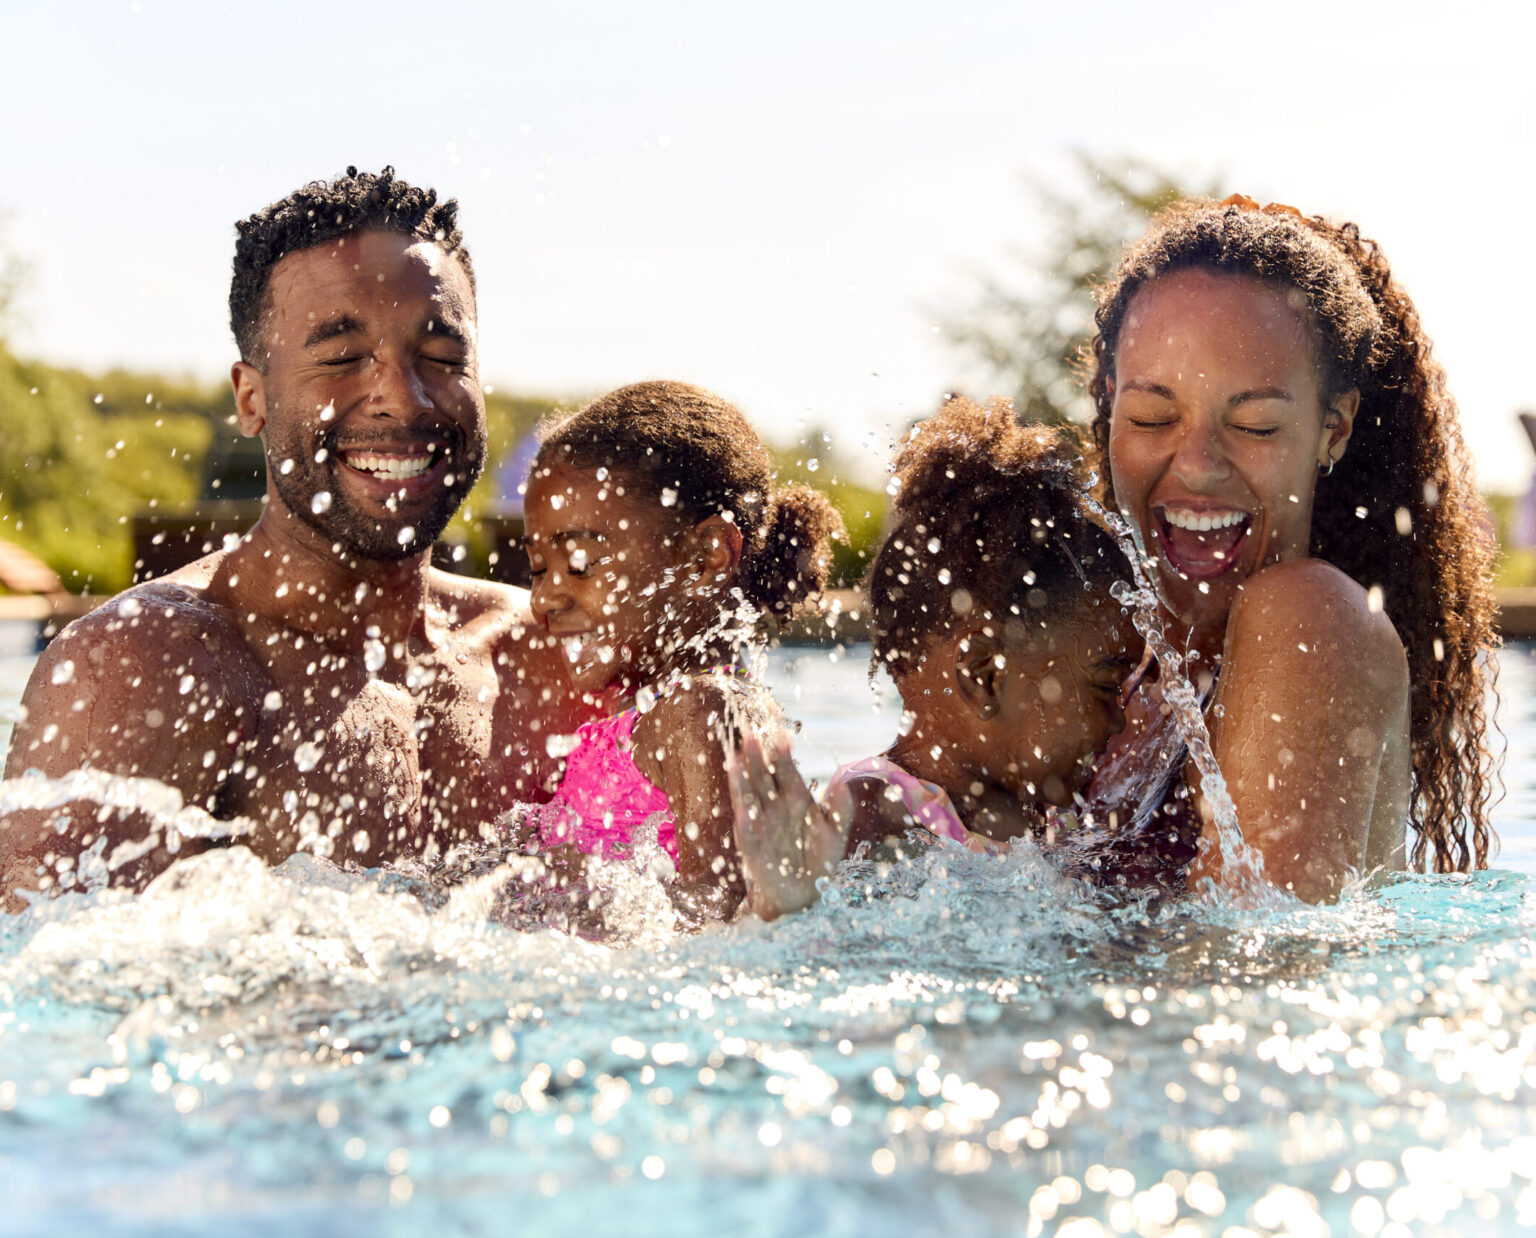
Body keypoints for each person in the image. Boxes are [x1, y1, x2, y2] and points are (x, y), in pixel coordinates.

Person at [0, 168, 585, 910]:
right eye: (341, 357)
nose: (403, 395)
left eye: (441, 358)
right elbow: (54, 999)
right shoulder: (144, 667)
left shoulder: (548, 654)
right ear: (252, 398)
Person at [1084, 194, 1498, 902]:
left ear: (1333, 429)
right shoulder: (1117, 665)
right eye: (1153, 416)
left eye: (1256, 425)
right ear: (1108, 404)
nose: (1197, 464)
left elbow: (1251, 974)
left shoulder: (1309, 618)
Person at [730, 396, 1141, 921]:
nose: (1122, 720)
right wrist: (786, 907)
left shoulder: (1048, 815)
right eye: (1107, 687)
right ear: (983, 675)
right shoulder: (874, 810)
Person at [514, 380, 844, 922]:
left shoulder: (700, 711)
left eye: (577, 564)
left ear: (706, 555)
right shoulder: (657, 709)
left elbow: (716, 920)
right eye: (536, 568)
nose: (544, 595)